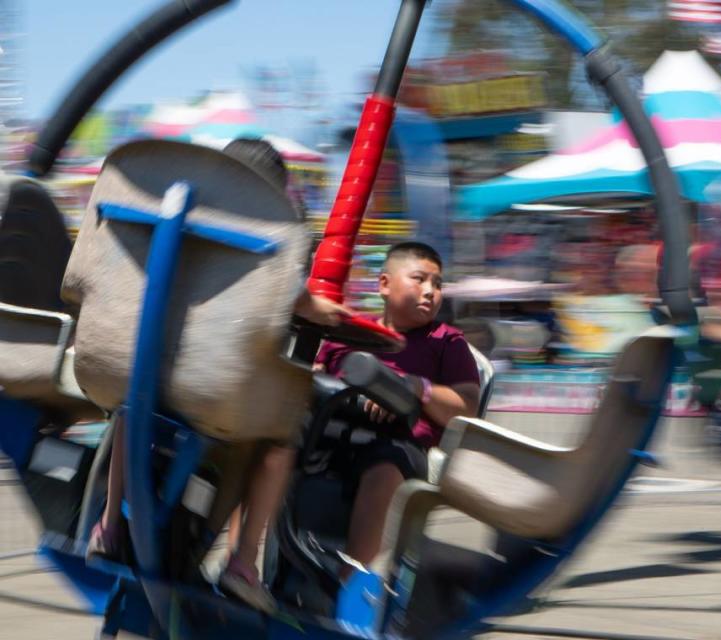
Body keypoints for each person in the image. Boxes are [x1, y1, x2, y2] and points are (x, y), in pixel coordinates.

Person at [86, 138, 352, 613]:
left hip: (140, 373)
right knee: (280, 444)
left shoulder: (169, 217)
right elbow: (295, 298)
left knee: (129, 410)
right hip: (215, 387)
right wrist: (324, 310)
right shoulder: (264, 231)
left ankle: (107, 524)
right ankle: (243, 560)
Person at [314, 241, 480, 578]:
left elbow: (467, 409)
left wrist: (415, 388)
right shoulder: (347, 332)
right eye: (419, 279)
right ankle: (239, 564)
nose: (430, 291)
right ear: (384, 284)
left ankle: (352, 592)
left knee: (384, 467)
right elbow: (314, 379)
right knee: (273, 439)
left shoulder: (446, 342)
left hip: (401, 446)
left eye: (437, 284)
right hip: (331, 435)